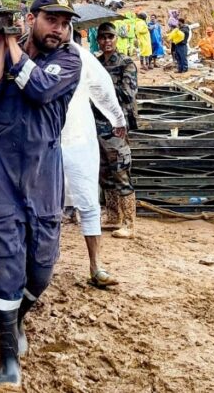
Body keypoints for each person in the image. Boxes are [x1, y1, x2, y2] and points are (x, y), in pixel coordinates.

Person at [0, 0, 82, 391]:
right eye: (51, 19)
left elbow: (38, 89)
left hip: (43, 172)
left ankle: (17, 318)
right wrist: (3, 45)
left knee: (42, 267)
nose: (59, 28)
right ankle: (7, 356)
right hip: (1, 169)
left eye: (64, 22)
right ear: (32, 18)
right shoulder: (8, 50)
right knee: (8, 263)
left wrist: (15, 49)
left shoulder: (68, 59)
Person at [62, 25, 124, 287]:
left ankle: (96, 265)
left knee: (87, 202)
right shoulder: (30, 53)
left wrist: (117, 117)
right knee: (41, 207)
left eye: (64, 24)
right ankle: (38, 265)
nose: (58, 29)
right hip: (41, 143)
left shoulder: (79, 56)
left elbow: (103, 88)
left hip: (77, 139)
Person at [95, 23, 139, 239]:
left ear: (116, 38)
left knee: (121, 171)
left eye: (110, 36)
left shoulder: (126, 63)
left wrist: (102, 87)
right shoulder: (95, 64)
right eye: (102, 37)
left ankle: (130, 223)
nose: (106, 41)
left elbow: (127, 94)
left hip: (116, 127)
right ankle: (113, 217)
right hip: (97, 126)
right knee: (104, 174)